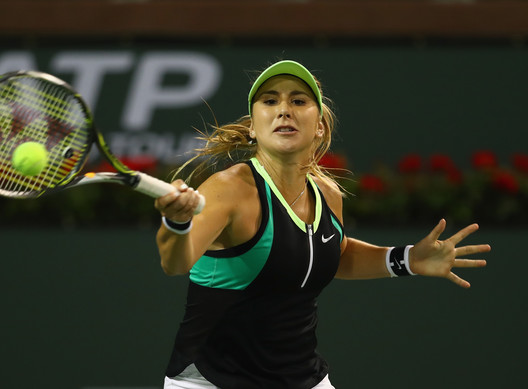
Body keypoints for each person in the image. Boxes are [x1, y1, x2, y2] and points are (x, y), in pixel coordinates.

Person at [154, 60, 490, 389]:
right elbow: (175, 262)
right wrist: (178, 223)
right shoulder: (229, 188)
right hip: (211, 380)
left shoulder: (328, 196)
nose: (284, 109)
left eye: (298, 100)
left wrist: (407, 260)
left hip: (302, 377)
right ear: (253, 127)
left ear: (320, 127)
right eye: (270, 101)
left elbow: (334, 255)